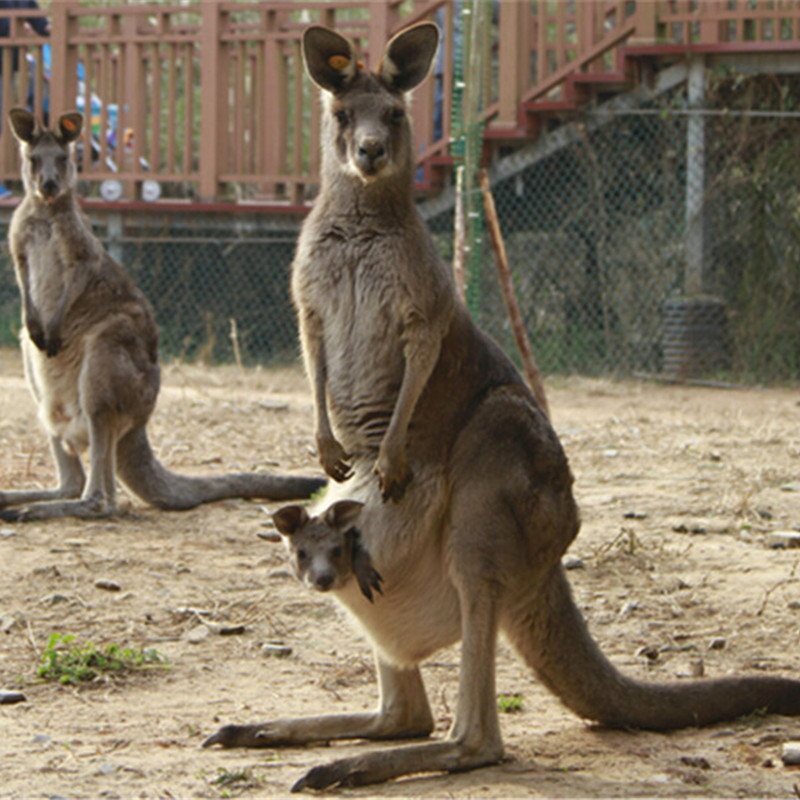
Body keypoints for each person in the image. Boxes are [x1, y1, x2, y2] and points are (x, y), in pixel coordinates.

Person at [0, 0, 50, 198]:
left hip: (9, 67)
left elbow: (40, 23)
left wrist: (55, 28)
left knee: (8, 121)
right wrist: (14, 25)